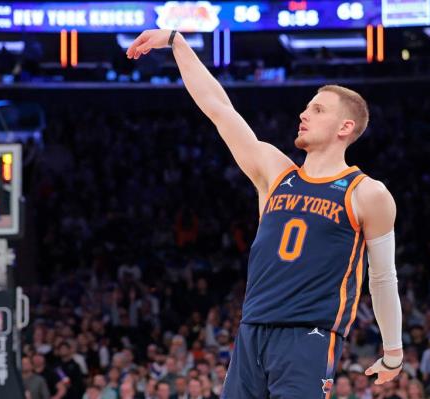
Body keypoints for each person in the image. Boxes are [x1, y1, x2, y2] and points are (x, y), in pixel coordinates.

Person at [127, 29, 403, 398]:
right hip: (251, 330)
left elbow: (383, 277)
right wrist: (177, 43)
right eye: (306, 107)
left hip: (308, 336)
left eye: (318, 109)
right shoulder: (276, 172)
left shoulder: (367, 192)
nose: (303, 114)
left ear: (345, 127)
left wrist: (393, 351)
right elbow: (219, 109)